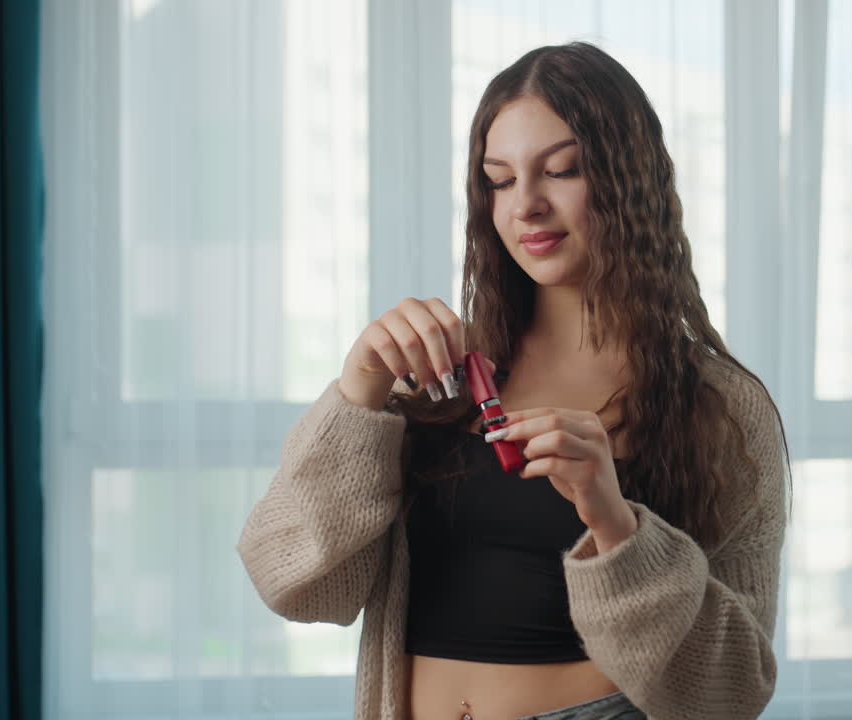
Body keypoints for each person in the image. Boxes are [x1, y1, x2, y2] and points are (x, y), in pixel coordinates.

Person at [238, 41, 790, 720]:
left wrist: (614, 523)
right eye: (499, 179)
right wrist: (359, 389)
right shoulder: (439, 384)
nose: (525, 204)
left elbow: (733, 691)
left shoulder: (720, 409)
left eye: (561, 170)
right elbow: (295, 585)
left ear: (631, 180)